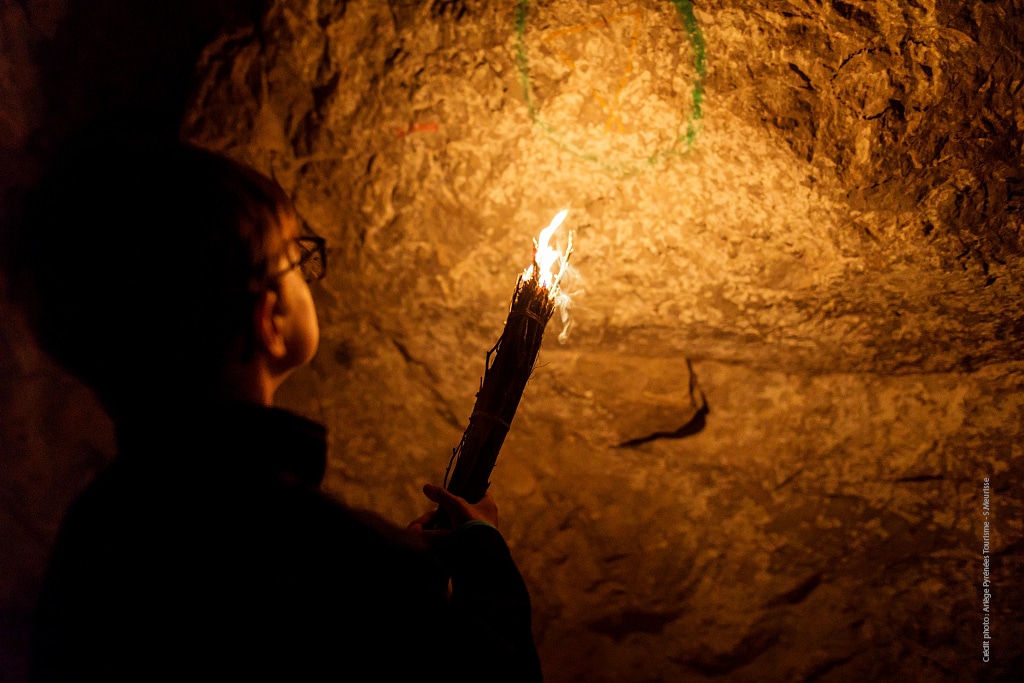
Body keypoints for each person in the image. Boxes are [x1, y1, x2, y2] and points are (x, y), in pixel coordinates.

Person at [15, 123, 542, 682]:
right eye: (297, 257)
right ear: (269, 319)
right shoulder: (328, 560)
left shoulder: (98, 531)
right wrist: (477, 559)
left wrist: (391, 569)